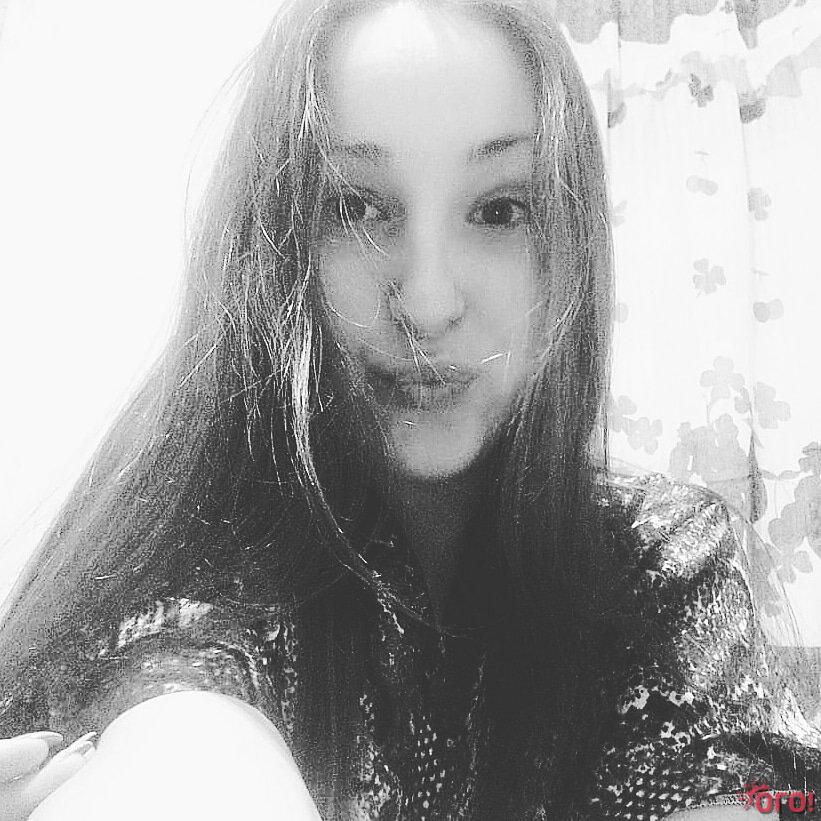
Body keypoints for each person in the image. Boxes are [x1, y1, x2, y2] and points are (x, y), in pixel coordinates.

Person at [0, 0, 819, 818]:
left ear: (567, 241)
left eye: (499, 209)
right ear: (273, 241)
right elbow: (182, 738)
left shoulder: (654, 566)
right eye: (355, 206)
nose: (427, 303)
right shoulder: (194, 569)